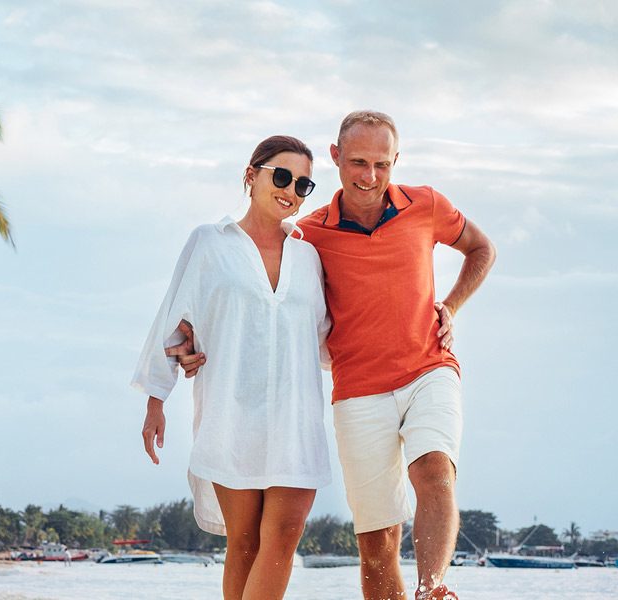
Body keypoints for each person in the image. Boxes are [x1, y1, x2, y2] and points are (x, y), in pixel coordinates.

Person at [170, 110, 497, 600]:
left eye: (382, 164)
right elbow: (256, 291)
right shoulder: (308, 236)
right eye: (359, 162)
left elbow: (481, 249)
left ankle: (434, 588)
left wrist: (450, 305)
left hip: (430, 367)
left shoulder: (426, 204)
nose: (371, 176)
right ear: (336, 158)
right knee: (377, 544)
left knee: (434, 469)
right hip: (357, 390)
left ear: (396, 161)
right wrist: (192, 338)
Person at [134, 135, 330, 600]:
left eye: (304, 184)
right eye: (282, 176)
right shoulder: (209, 242)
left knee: (283, 536)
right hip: (231, 415)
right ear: (251, 174)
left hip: (297, 420)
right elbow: (172, 323)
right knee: (243, 543)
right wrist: (156, 401)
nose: (291, 190)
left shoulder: (309, 256)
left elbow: (324, 339)